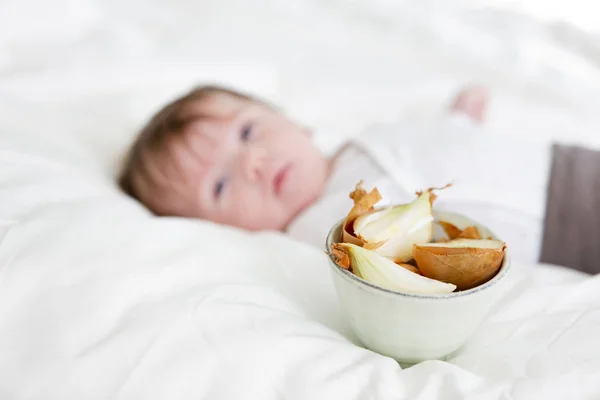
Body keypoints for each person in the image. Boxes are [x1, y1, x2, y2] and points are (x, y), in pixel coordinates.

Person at [118, 85, 598, 273]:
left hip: (561, 164)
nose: (253, 164)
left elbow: (428, 147)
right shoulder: (321, 235)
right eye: (220, 186)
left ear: (294, 121)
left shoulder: (362, 139)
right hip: (559, 237)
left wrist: (457, 119)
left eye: (247, 131)